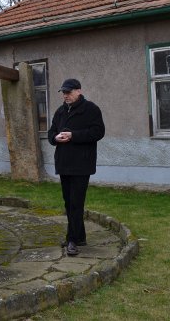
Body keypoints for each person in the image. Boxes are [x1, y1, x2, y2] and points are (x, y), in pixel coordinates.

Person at [48, 78, 105, 257]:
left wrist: (74, 135)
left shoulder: (91, 109)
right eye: (63, 93)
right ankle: (79, 236)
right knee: (68, 202)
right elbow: (51, 133)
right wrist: (55, 138)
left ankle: (71, 240)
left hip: (81, 164)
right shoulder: (60, 111)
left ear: (79, 91)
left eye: (69, 92)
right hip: (64, 163)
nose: (65, 95)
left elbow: (98, 132)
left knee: (76, 202)